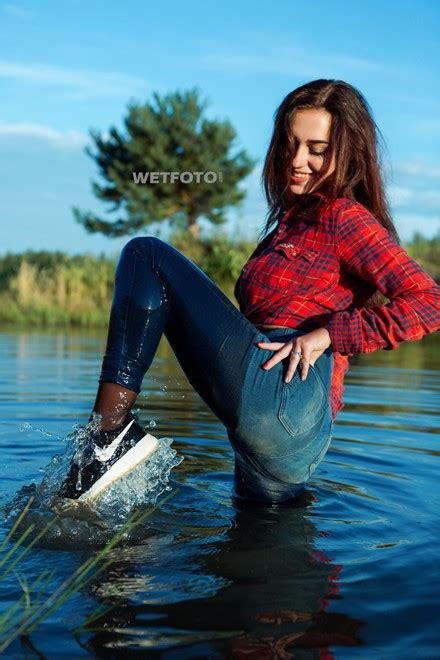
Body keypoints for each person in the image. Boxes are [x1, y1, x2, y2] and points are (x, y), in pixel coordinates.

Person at [59, 79, 440, 505]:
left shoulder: (344, 217)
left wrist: (331, 334)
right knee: (258, 547)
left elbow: (430, 301)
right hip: (287, 433)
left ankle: (107, 438)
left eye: (316, 149)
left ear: (346, 153)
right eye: (290, 144)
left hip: (283, 396)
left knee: (147, 256)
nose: (297, 161)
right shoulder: (292, 222)